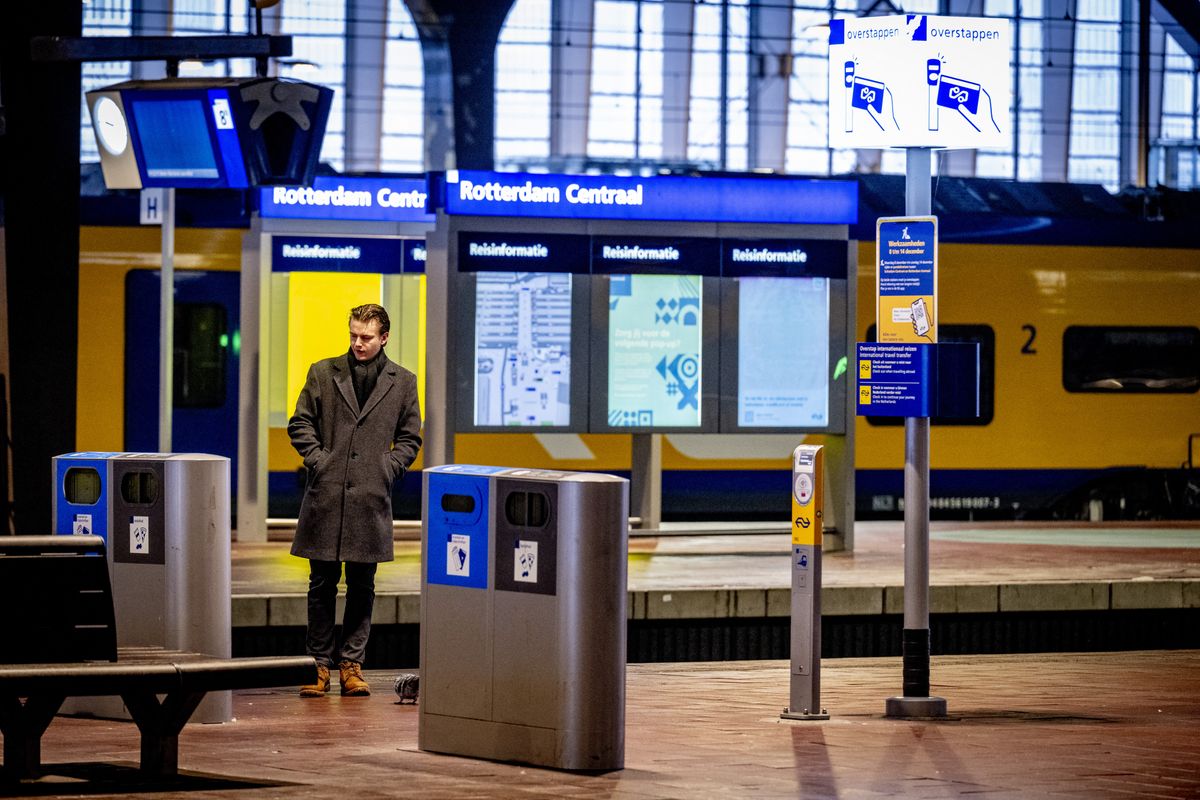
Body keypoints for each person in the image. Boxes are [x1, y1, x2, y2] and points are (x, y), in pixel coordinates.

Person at [288, 303, 422, 697]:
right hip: (326, 493)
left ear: (384, 338)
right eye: (353, 335)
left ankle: (352, 665)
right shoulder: (322, 372)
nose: (358, 343)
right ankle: (318, 665)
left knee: (363, 584)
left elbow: (411, 437)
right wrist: (319, 461)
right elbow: (300, 422)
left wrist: (388, 468)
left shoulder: (404, 381)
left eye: (366, 337)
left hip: (370, 496)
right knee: (321, 582)